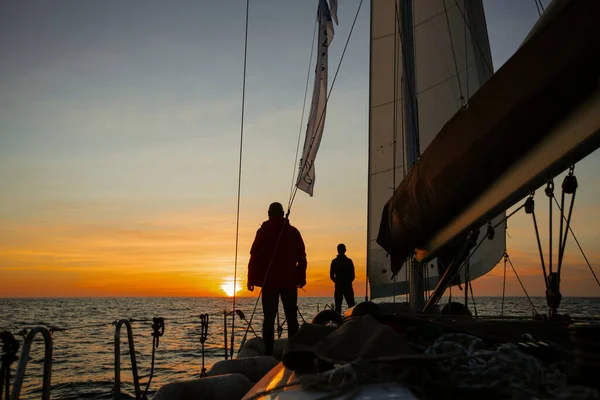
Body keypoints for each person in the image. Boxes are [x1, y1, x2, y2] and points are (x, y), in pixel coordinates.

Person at [247, 202, 307, 356]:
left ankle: (268, 353)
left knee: (269, 319)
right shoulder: (293, 232)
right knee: (291, 318)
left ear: (269, 214)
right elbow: (302, 257)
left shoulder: (262, 232)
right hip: (289, 282)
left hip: (269, 283)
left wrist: (251, 278)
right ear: (282, 213)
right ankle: (294, 351)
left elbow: (254, 256)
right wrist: (301, 277)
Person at [330, 243, 355, 314]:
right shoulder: (349, 261)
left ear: (337, 250)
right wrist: (348, 282)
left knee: (338, 307)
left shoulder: (334, 262)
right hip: (347, 286)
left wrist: (337, 282)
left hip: (339, 287)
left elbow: (331, 276)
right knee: (351, 306)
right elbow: (353, 275)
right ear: (345, 250)